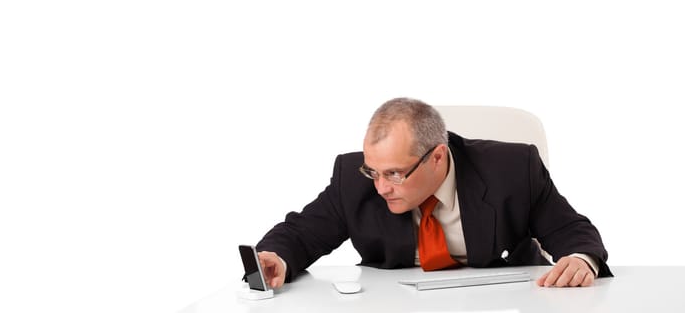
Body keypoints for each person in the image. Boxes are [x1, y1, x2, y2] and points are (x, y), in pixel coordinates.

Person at [255, 98, 611, 289]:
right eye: (373, 171)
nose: (380, 187)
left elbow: (570, 231)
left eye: (395, 173)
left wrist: (580, 260)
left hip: (504, 303)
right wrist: (276, 259)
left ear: (437, 156)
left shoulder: (514, 167)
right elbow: (300, 233)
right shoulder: (354, 180)